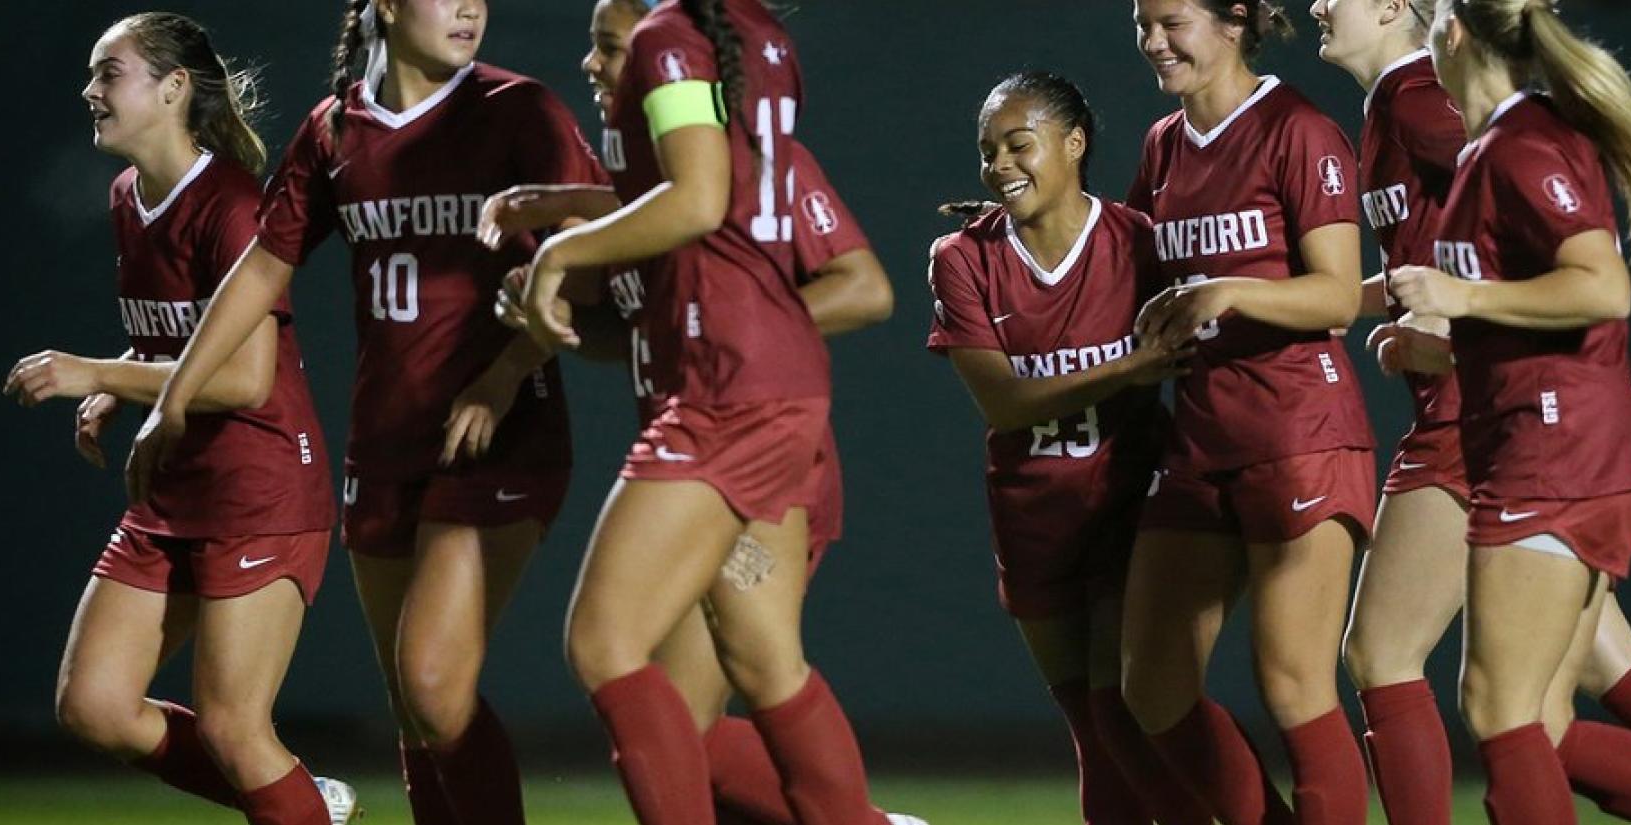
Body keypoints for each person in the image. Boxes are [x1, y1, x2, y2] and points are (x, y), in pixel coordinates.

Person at [125, 1, 609, 822]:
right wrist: (171, 397)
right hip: (385, 447)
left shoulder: (518, 109)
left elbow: (601, 244)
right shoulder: (335, 131)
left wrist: (507, 370)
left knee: (433, 680)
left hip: (500, 434)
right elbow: (260, 270)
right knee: (414, 706)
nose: (468, 8)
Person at [1311, 3, 1631, 824]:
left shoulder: (1455, 118)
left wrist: (1453, 303)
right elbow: (1469, 261)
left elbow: (1593, 280)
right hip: (1516, 419)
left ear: (1423, 21)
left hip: (1516, 430)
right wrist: (1394, 313)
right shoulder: (1427, 117)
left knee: (1408, 663)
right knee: (1564, 698)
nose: (1315, 5)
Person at [512, 2, 895, 823]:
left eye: (605, 44)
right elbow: (688, 215)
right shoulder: (760, 41)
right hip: (755, 398)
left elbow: (699, 199)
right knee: (762, 666)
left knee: (605, 644)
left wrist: (560, 247)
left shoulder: (671, 47)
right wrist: (574, 216)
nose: (592, 62)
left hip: (730, 402)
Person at [12, 12, 355, 824]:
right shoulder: (131, 194)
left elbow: (243, 377)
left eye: (109, 73)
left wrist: (92, 371)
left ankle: (293, 801)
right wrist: (120, 381)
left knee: (238, 726)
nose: (89, 90)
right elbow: (176, 337)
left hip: (260, 487)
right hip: (176, 486)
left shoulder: (232, 203)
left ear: (172, 88)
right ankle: (305, 803)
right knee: (94, 703)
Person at [927, 71, 1209, 825]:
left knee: (1128, 709)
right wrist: (1132, 367)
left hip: (1129, 504)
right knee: (1092, 724)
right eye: (989, 151)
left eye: (1020, 144)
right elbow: (1005, 400)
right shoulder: (962, 257)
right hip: (1033, 515)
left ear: (1074, 142)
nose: (1000, 165)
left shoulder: (1138, 240)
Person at [1123, 2, 1378, 822]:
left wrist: (1228, 289)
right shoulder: (1163, 145)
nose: (1154, 41)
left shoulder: (1296, 128)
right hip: (1201, 437)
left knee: (1293, 679)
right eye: (1141, 23)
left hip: (1299, 432)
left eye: (1172, 21)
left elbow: (1339, 294)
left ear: (1235, 20)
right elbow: (1127, 274)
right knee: (1152, 682)